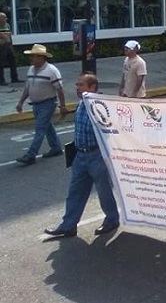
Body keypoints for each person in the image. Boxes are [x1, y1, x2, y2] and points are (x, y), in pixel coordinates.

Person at [43, 72, 120, 238]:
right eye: (77, 85)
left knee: (104, 192)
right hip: (80, 156)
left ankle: (112, 219)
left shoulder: (101, 105)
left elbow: (111, 131)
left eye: (81, 85)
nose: (77, 88)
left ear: (92, 87)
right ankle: (69, 225)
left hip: (97, 156)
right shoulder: (81, 103)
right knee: (75, 191)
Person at [15, 44, 67, 165]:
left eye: (33, 56)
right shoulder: (31, 69)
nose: (31, 59)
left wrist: (62, 106)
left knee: (40, 128)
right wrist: (21, 102)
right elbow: (28, 87)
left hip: (48, 103)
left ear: (41, 57)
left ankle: (31, 154)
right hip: (36, 104)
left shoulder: (52, 71)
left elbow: (60, 89)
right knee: (47, 126)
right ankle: (56, 148)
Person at [0, 12, 20, 85]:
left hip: (8, 44)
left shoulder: (7, 25)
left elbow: (9, 35)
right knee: (1, 63)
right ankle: (1, 80)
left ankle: (14, 78)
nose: (6, 19)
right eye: (4, 17)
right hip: (1, 45)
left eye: (5, 17)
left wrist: (11, 43)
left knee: (13, 61)